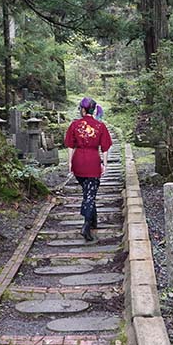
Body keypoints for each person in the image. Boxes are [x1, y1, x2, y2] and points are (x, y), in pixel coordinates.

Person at [64, 97, 112, 241]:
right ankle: (86, 225)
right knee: (90, 194)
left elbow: (70, 146)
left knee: (88, 191)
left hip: (78, 161)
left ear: (83, 109)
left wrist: (70, 163)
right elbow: (105, 147)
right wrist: (105, 164)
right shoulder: (100, 126)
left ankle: (93, 219)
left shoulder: (74, 125)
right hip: (92, 161)